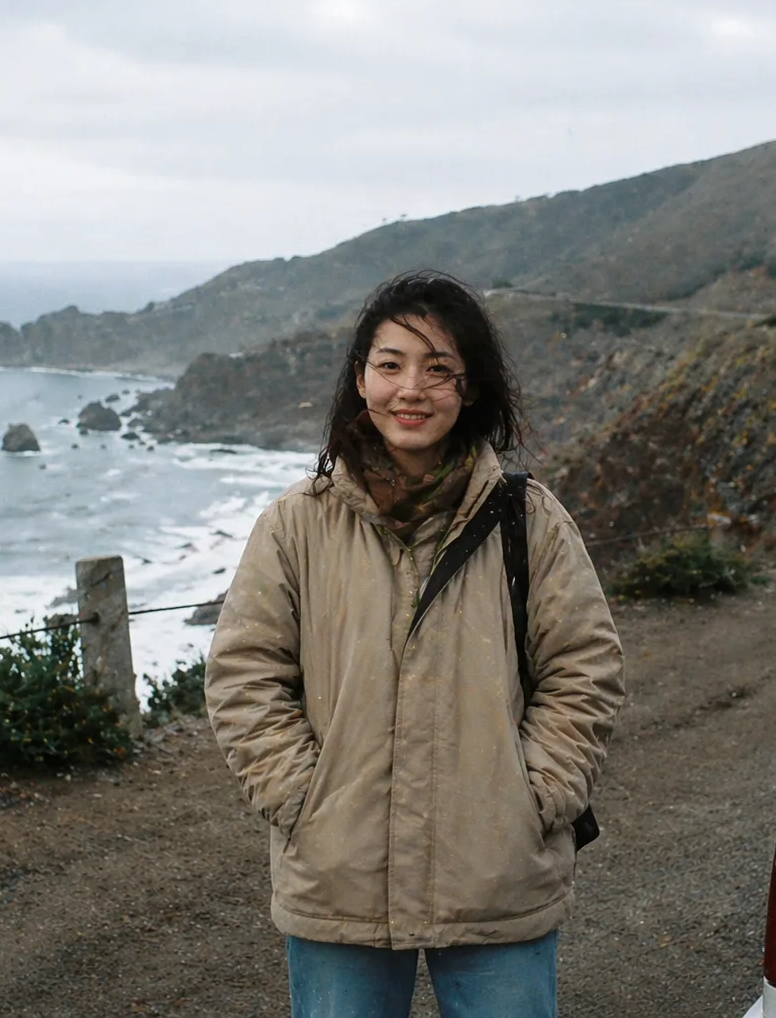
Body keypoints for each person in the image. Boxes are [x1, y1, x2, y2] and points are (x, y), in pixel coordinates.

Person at [205, 271, 624, 1018]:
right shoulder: (297, 523)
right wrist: (303, 800)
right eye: (390, 364)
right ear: (359, 379)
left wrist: (534, 797)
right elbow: (243, 674)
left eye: (438, 369)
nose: (411, 389)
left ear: (470, 387)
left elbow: (584, 667)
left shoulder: (529, 519)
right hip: (339, 873)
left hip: (495, 872)